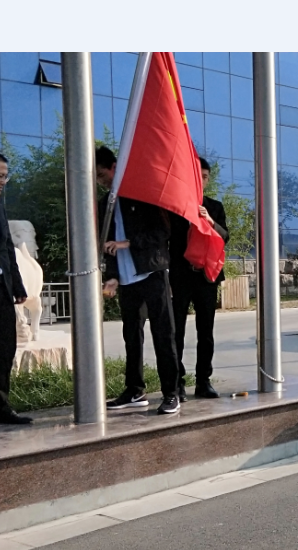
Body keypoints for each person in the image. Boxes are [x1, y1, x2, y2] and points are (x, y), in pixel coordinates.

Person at [96, 146, 181, 415]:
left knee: (163, 334)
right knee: (132, 337)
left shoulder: (143, 193)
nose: (100, 181)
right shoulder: (104, 204)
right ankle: (135, 390)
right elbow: (105, 245)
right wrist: (112, 277)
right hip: (126, 280)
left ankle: (171, 393)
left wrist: (128, 243)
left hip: (152, 273)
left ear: (114, 167)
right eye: (96, 178)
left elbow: (162, 232)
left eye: (102, 175)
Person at [169, 157, 228, 401]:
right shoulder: (177, 206)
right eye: (198, 176)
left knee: (206, 332)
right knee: (177, 331)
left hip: (206, 277)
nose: (201, 180)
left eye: (205, 177)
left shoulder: (215, 206)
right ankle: (177, 383)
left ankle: (204, 381)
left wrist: (210, 221)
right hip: (181, 276)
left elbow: (224, 237)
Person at [0, 151, 32, 425]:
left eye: (5, 176)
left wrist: (17, 285)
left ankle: (0, 407)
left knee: (4, 348)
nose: (3, 182)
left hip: (1, 288)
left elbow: (7, 247)